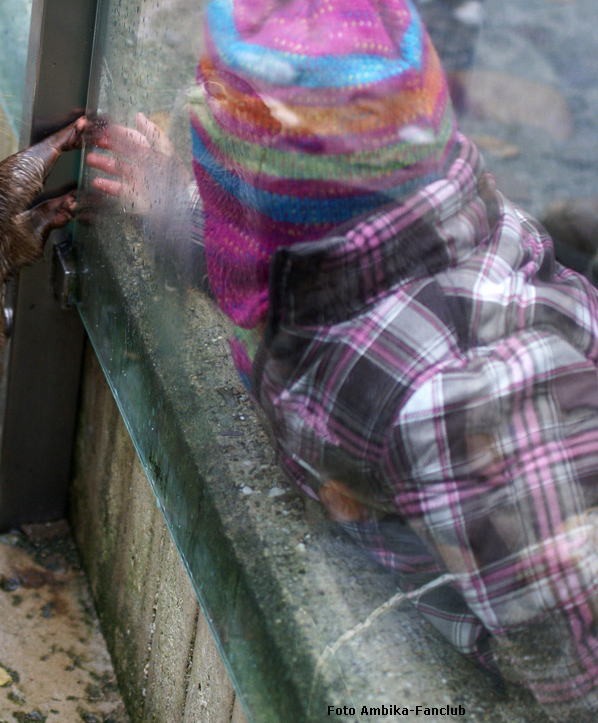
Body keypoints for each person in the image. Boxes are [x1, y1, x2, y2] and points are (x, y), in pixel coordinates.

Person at [87, 1, 598, 718]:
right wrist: (173, 207)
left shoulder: (456, 407)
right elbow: (287, 280)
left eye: (224, 189)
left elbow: (574, 652)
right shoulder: (380, 227)